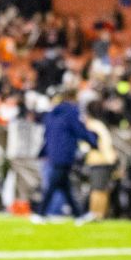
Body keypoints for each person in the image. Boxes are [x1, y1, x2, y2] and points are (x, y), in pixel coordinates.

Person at [33, 89, 98, 222]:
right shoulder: (71, 112)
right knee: (53, 185)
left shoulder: (52, 113)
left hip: (52, 152)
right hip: (65, 153)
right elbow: (80, 130)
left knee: (64, 185)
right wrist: (94, 142)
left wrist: (45, 151)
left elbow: (46, 134)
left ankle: (79, 215)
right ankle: (39, 213)